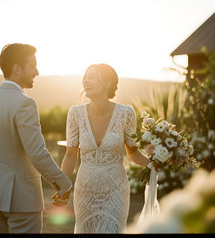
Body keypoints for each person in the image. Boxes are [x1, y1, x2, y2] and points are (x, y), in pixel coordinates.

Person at [0, 43, 72, 233]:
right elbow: (36, 153)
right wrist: (63, 183)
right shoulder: (25, 104)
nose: (37, 72)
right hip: (21, 200)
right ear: (17, 69)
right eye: (33, 66)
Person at [54, 63, 154, 233]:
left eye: (91, 76)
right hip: (85, 189)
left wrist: (152, 163)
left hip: (115, 190)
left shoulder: (126, 113)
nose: (86, 80)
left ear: (107, 83)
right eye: (85, 77)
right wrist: (63, 188)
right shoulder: (75, 113)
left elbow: (133, 152)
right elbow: (71, 155)